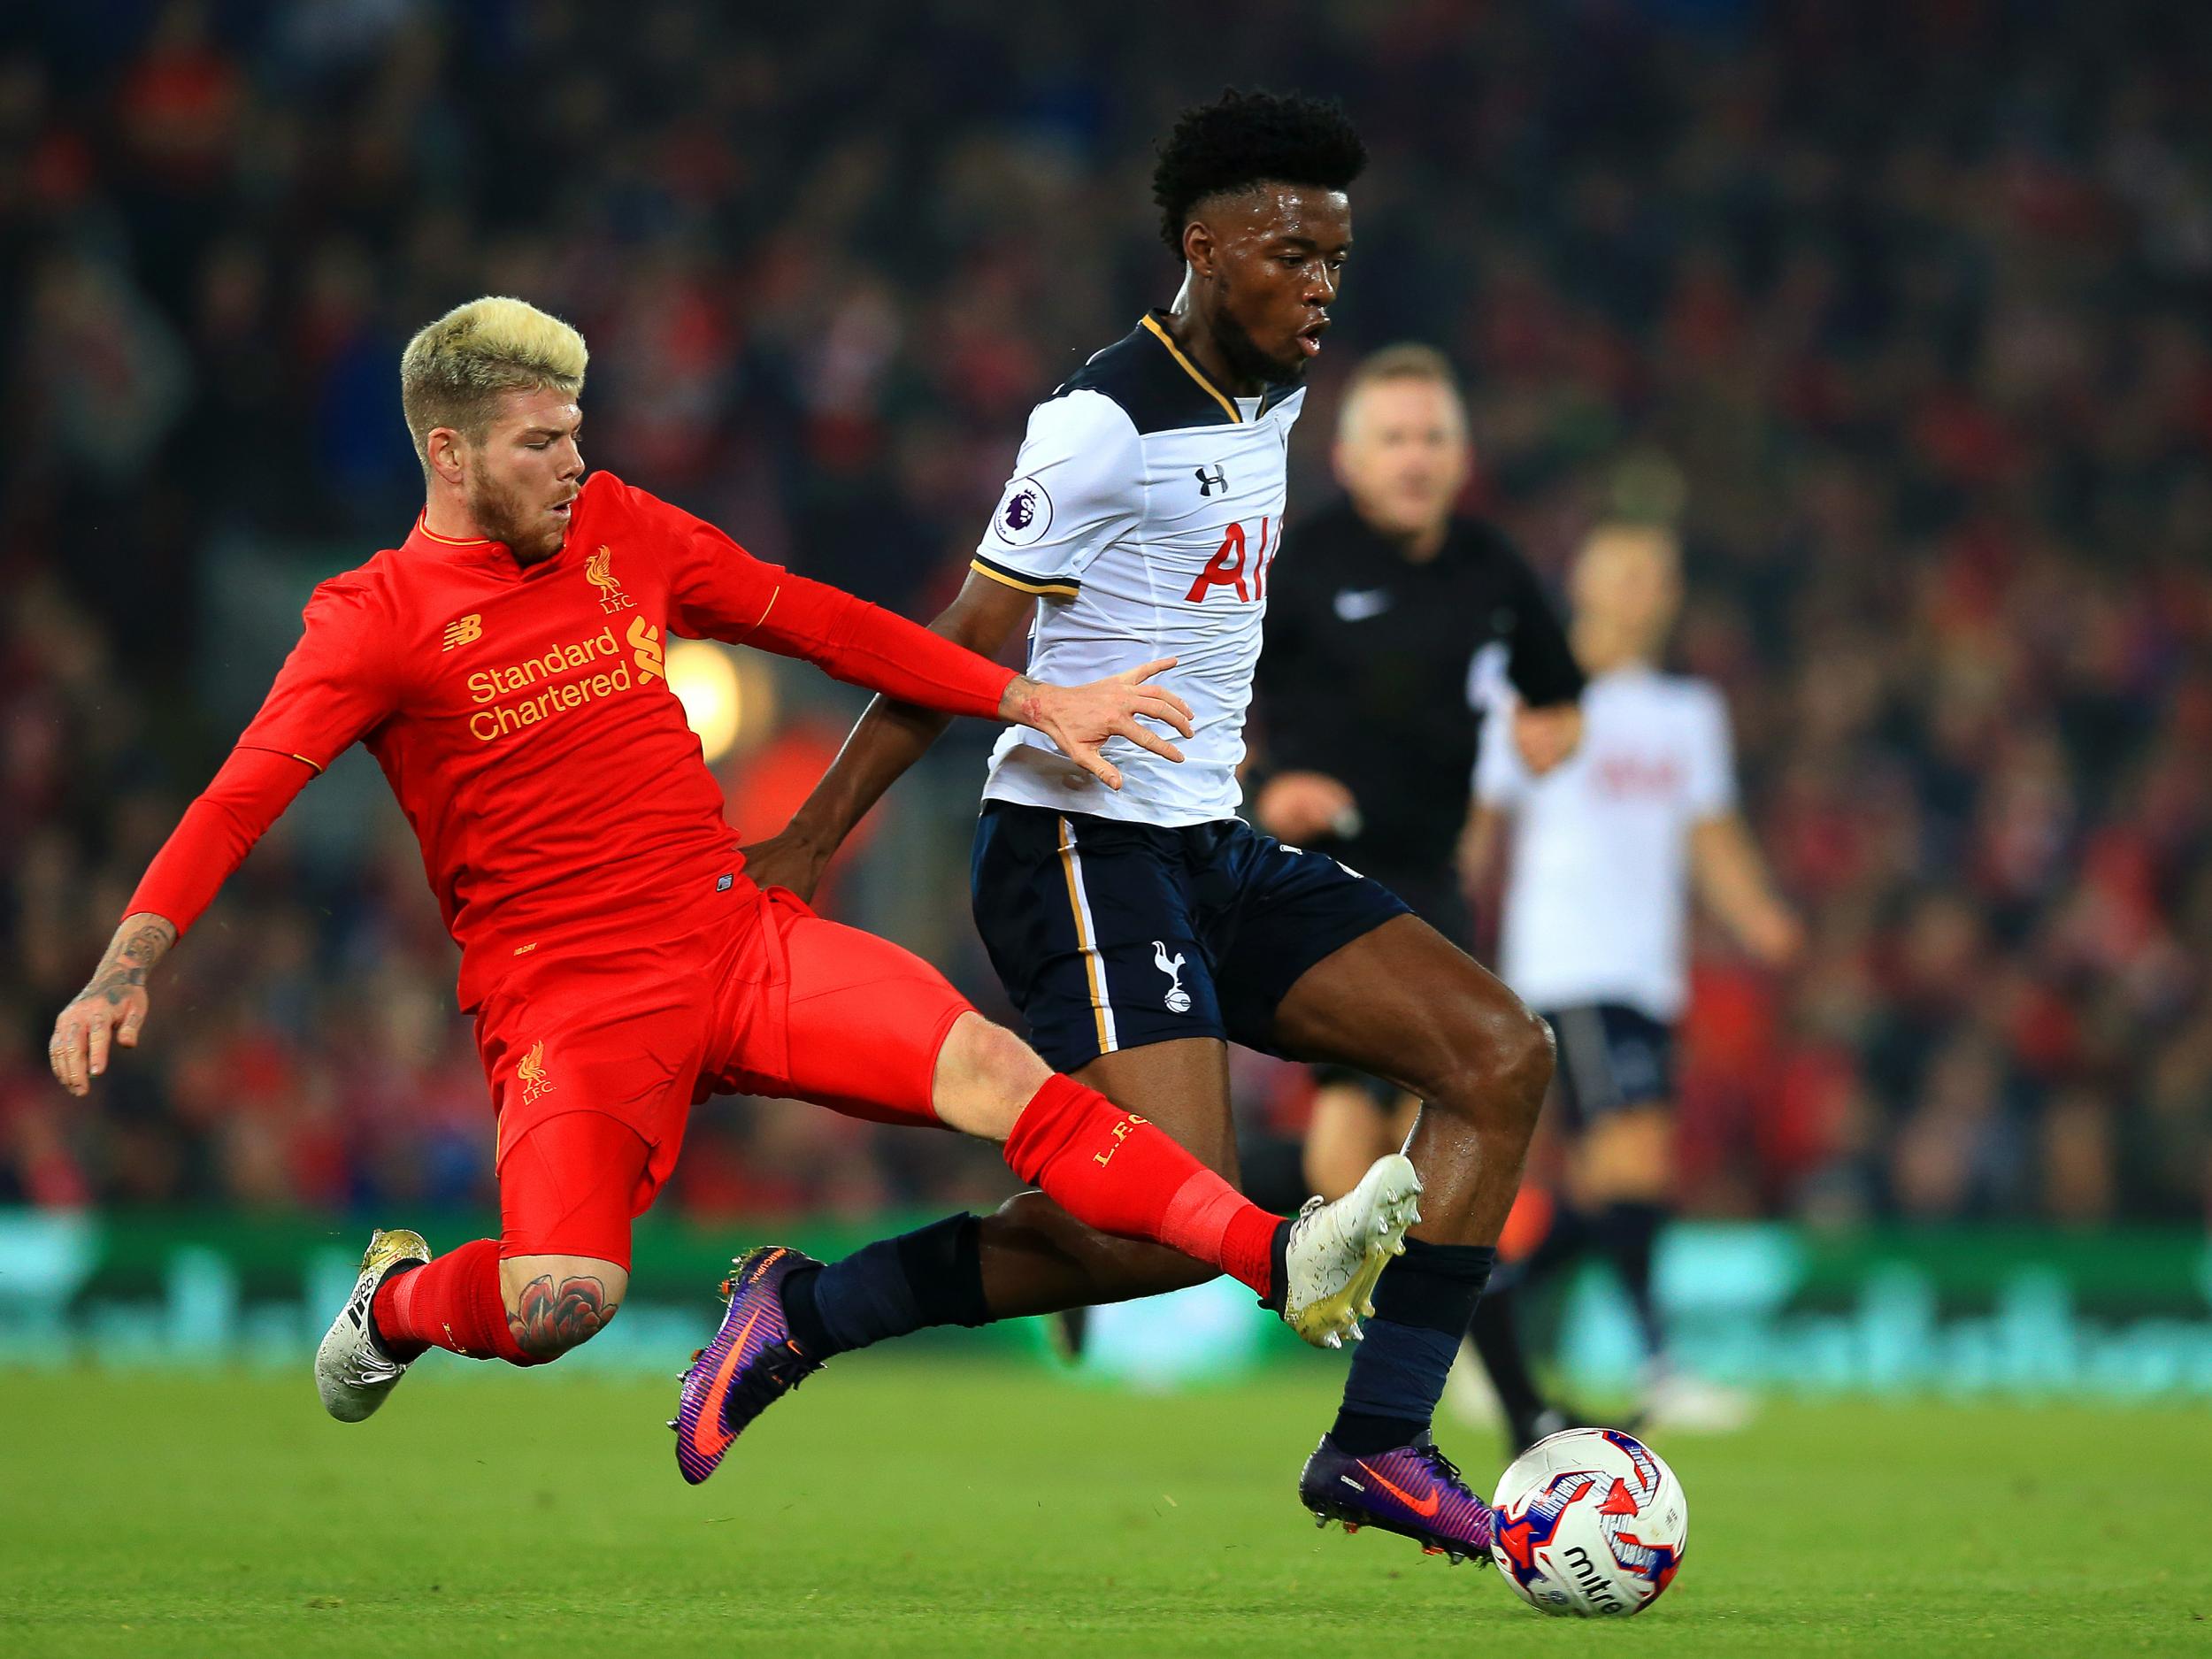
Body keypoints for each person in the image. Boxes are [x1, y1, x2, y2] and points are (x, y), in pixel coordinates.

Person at [45, 295, 1425, 1493]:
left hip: (733, 935)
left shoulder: (621, 528)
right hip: (570, 1004)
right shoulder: (374, 617)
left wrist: (1024, 694)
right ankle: (397, 1302)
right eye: (544, 441)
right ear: (449, 451)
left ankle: (1282, 1254)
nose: (577, 461)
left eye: (579, 430)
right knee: (560, 1301)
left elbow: (815, 618)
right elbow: (242, 790)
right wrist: (127, 963)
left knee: (1000, 1073)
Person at [741, 88, 1557, 1566]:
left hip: (1205, 840)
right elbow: (961, 638)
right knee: (1157, 1226)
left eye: (1337, 260)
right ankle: (807, 1308)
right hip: (1072, 845)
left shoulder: (1280, 391)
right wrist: (807, 843)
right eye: (1293, 254)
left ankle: (1377, 1443)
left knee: (1501, 1057)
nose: (1322, 288)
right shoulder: (1100, 421)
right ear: (1204, 244)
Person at [1463, 521, 1802, 1432]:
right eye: (1625, 573)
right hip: (1567, 964)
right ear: (1582, 584)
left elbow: (1709, 834)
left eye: (1657, 576)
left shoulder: (1687, 713)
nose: (1641, 591)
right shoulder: (1529, 689)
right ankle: (1658, 1366)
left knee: (1610, 1189)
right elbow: (1481, 825)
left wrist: (1758, 915)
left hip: (1649, 974)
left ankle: (1476, 1319)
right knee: (1635, 1157)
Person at [1249, 342, 1584, 1208]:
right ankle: (1434, 1333)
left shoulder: (1490, 567)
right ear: (1348, 459)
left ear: (1461, 459)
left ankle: (1134, 1201)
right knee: (1362, 1130)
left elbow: (1557, 697)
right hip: (1319, 873)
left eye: (1432, 438)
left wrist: (1552, 735)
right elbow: (1212, 706)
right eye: (1394, 438)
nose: (1415, 457)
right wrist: (1266, 794)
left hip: (1431, 881)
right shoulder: (1301, 565)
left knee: (1424, 1125)